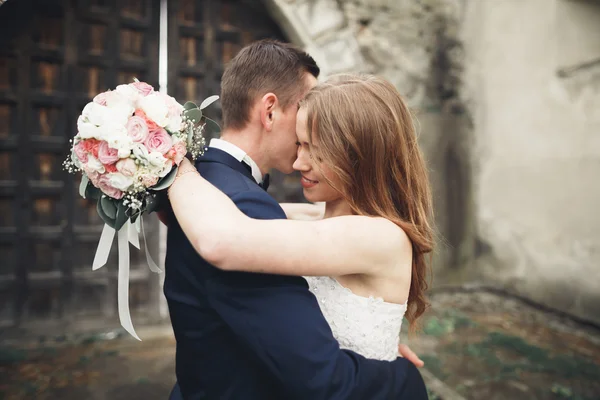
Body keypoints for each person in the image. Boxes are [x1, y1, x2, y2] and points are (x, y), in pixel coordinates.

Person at [163, 40, 429, 400]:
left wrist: (168, 161)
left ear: (357, 155)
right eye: (300, 144)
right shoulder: (310, 217)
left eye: (315, 149)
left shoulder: (379, 236)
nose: (300, 163)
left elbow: (222, 239)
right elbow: (208, 217)